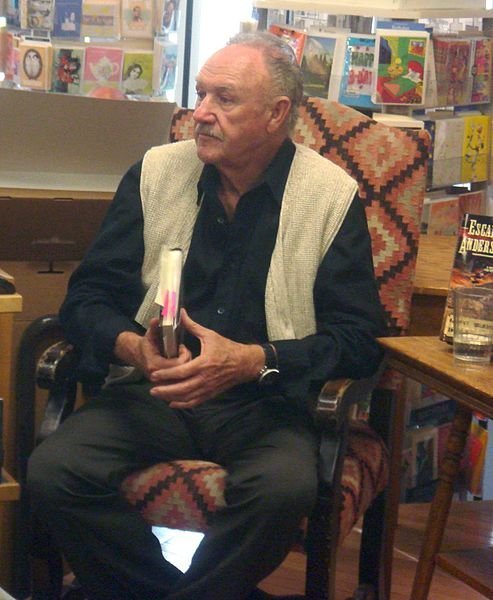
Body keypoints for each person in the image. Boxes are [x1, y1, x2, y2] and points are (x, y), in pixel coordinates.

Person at [27, 31, 386, 600]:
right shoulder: (155, 174)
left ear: (276, 114)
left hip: (265, 402)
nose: (201, 114)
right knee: (52, 473)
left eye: (224, 99)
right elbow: (87, 297)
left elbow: (359, 339)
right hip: (154, 390)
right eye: (200, 96)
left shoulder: (329, 197)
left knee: (283, 490)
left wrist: (252, 361)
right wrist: (132, 347)